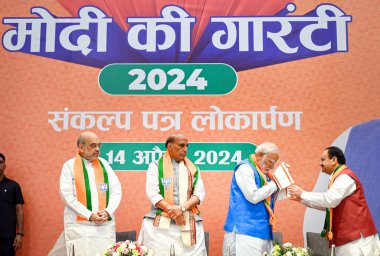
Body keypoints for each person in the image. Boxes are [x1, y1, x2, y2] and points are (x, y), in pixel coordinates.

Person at [288, 146, 380, 256]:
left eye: (323, 160)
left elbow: (329, 200)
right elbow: (328, 206)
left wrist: (303, 193)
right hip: (349, 238)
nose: (320, 163)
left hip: (356, 239)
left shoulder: (345, 177)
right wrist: (301, 199)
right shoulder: (338, 177)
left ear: (334, 160)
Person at [138, 134, 207, 255]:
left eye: (187, 146)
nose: (185, 149)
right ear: (170, 146)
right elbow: (152, 192)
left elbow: (199, 193)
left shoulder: (193, 168)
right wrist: (172, 210)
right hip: (160, 223)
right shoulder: (155, 166)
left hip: (188, 221)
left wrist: (181, 208)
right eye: (181, 145)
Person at [54, 131, 122, 256]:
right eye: (93, 145)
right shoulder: (69, 166)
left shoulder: (104, 165)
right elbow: (67, 196)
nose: (97, 149)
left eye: (98, 146)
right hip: (80, 227)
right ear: (81, 147)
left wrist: (107, 211)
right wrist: (89, 215)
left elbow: (116, 191)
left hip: (104, 226)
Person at [223, 142, 283, 256]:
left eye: (274, 164)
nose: (272, 167)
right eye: (270, 162)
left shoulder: (265, 174)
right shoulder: (245, 168)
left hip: (264, 230)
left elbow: (270, 199)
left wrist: (285, 185)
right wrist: (275, 184)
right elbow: (253, 196)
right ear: (260, 155)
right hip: (245, 231)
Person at [0, 153, 24, 256]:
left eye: (0, 162)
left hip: (7, 237)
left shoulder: (13, 186)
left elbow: (19, 210)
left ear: (5, 165)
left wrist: (19, 234)